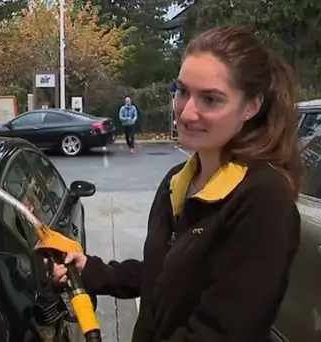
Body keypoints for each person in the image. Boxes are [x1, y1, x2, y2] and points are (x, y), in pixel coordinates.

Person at [48, 26, 302, 341]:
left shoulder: (263, 201)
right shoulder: (178, 181)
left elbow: (221, 332)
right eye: (182, 92)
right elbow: (162, 275)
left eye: (210, 99)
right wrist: (91, 269)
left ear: (251, 106)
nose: (186, 112)